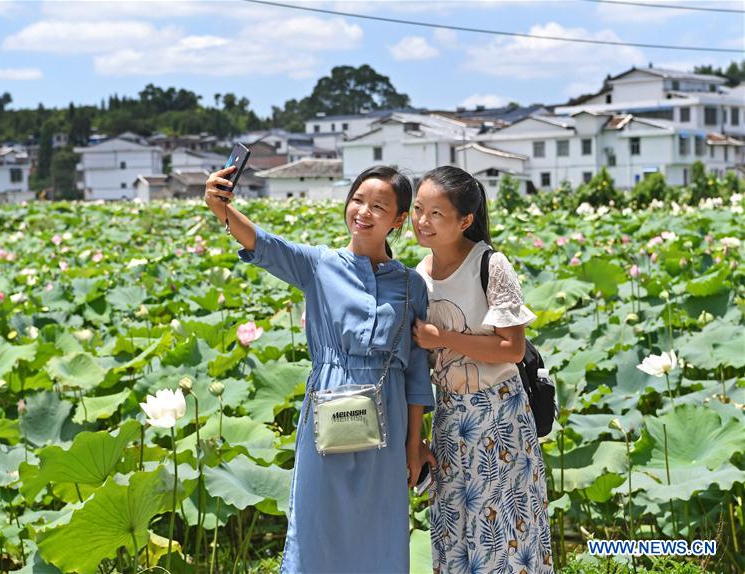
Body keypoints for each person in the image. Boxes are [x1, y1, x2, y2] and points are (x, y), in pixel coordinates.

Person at [204, 164, 435, 573]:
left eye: (379, 206)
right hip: (329, 406)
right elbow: (264, 245)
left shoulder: (411, 284)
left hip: (390, 416)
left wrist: (414, 443)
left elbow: (416, 370)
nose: (363, 211)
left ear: (399, 220)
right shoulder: (319, 265)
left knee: (381, 523)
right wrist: (220, 208)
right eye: (358, 200)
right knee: (318, 521)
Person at [410, 166, 553, 573]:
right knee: (454, 528)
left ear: (465, 220)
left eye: (436, 213)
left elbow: (512, 347)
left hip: (500, 416)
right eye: (419, 209)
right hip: (450, 416)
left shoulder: (490, 265)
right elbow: (420, 362)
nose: (423, 221)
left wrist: (443, 337)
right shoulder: (419, 276)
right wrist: (416, 438)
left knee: (506, 529)